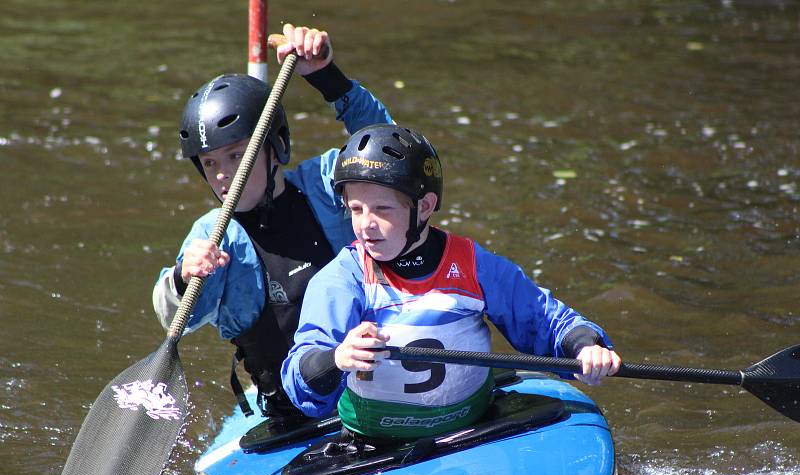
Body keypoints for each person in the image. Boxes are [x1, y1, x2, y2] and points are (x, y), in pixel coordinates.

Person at [282, 123, 622, 440]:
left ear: (425, 206)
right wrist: (337, 358)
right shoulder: (342, 279)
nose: (366, 225)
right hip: (377, 443)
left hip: (471, 427)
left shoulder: (474, 265)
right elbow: (301, 376)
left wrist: (585, 346)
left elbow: (544, 319)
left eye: (382, 210)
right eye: (356, 209)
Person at [152, 24, 394, 423]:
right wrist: (182, 275)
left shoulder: (324, 183)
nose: (224, 174)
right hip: (296, 412)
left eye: (236, 155)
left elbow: (387, 144)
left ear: (276, 145)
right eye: (210, 163)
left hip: (376, 383)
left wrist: (325, 76)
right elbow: (176, 316)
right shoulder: (215, 235)